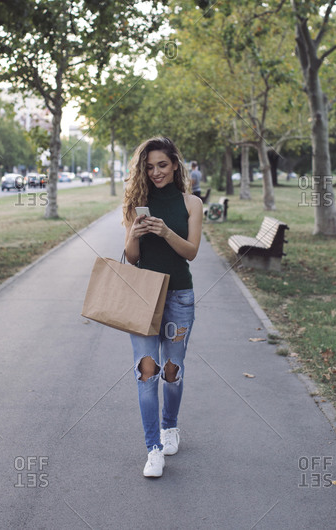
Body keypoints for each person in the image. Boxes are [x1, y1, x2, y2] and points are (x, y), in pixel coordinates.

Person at [123, 136, 203, 478]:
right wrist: (135, 234)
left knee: (172, 370)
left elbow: (191, 252)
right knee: (146, 373)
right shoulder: (133, 204)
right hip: (144, 295)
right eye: (150, 166)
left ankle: (170, 426)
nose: (156, 172)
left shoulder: (191, 203)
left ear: (175, 166)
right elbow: (132, 258)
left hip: (179, 295)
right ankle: (153, 448)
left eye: (162, 165)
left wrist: (166, 231)